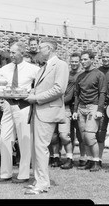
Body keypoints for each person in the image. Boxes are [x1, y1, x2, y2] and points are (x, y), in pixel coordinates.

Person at [0, 41, 39, 183]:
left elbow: (40, 86)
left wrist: (31, 93)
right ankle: (5, 173)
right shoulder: (5, 69)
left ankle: (23, 174)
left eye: (13, 52)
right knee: (4, 139)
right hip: (8, 106)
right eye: (10, 52)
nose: (11, 55)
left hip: (24, 107)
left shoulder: (33, 69)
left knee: (25, 141)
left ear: (22, 53)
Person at [25, 37, 69, 195]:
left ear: (50, 48)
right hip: (37, 111)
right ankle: (39, 180)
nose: (38, 50)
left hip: (47, 111)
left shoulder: (61, 65)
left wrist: (36, 98)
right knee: (36, 148)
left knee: (41, 147)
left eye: (41, 47)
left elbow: (59, 89)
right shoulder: (43, 67)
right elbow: (42, 88)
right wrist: (31, 93)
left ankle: (42, 183)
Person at [72, 50, 106, 172]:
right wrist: (75, 110)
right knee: (83, 137)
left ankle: (97, 161)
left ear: (92, 59)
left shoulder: (99, 74)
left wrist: (100, 109)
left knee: (90, 136)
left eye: (85, 59)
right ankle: (90, 160)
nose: (82, 62)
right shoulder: (80, 76)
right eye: (82, 59)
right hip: (81, 108)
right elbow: (77, 94)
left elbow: (102, 93)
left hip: (93, 107)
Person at [50, 53, 83, 169]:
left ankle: (70, 158)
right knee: (53, 135)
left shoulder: (80, 75)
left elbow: (73, 95)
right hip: (55, 107)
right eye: (72, 61)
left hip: (68, 107)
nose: (74, 63)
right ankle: (55, 157)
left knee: (65, 135)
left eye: (76, 61)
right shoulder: (65, 74)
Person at [97, 48, 109, 167]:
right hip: (102, 104)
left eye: (107, 57)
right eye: (103, 57)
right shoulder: (98, 71)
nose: (105, 59)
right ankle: (98, 159)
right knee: (100, 132)